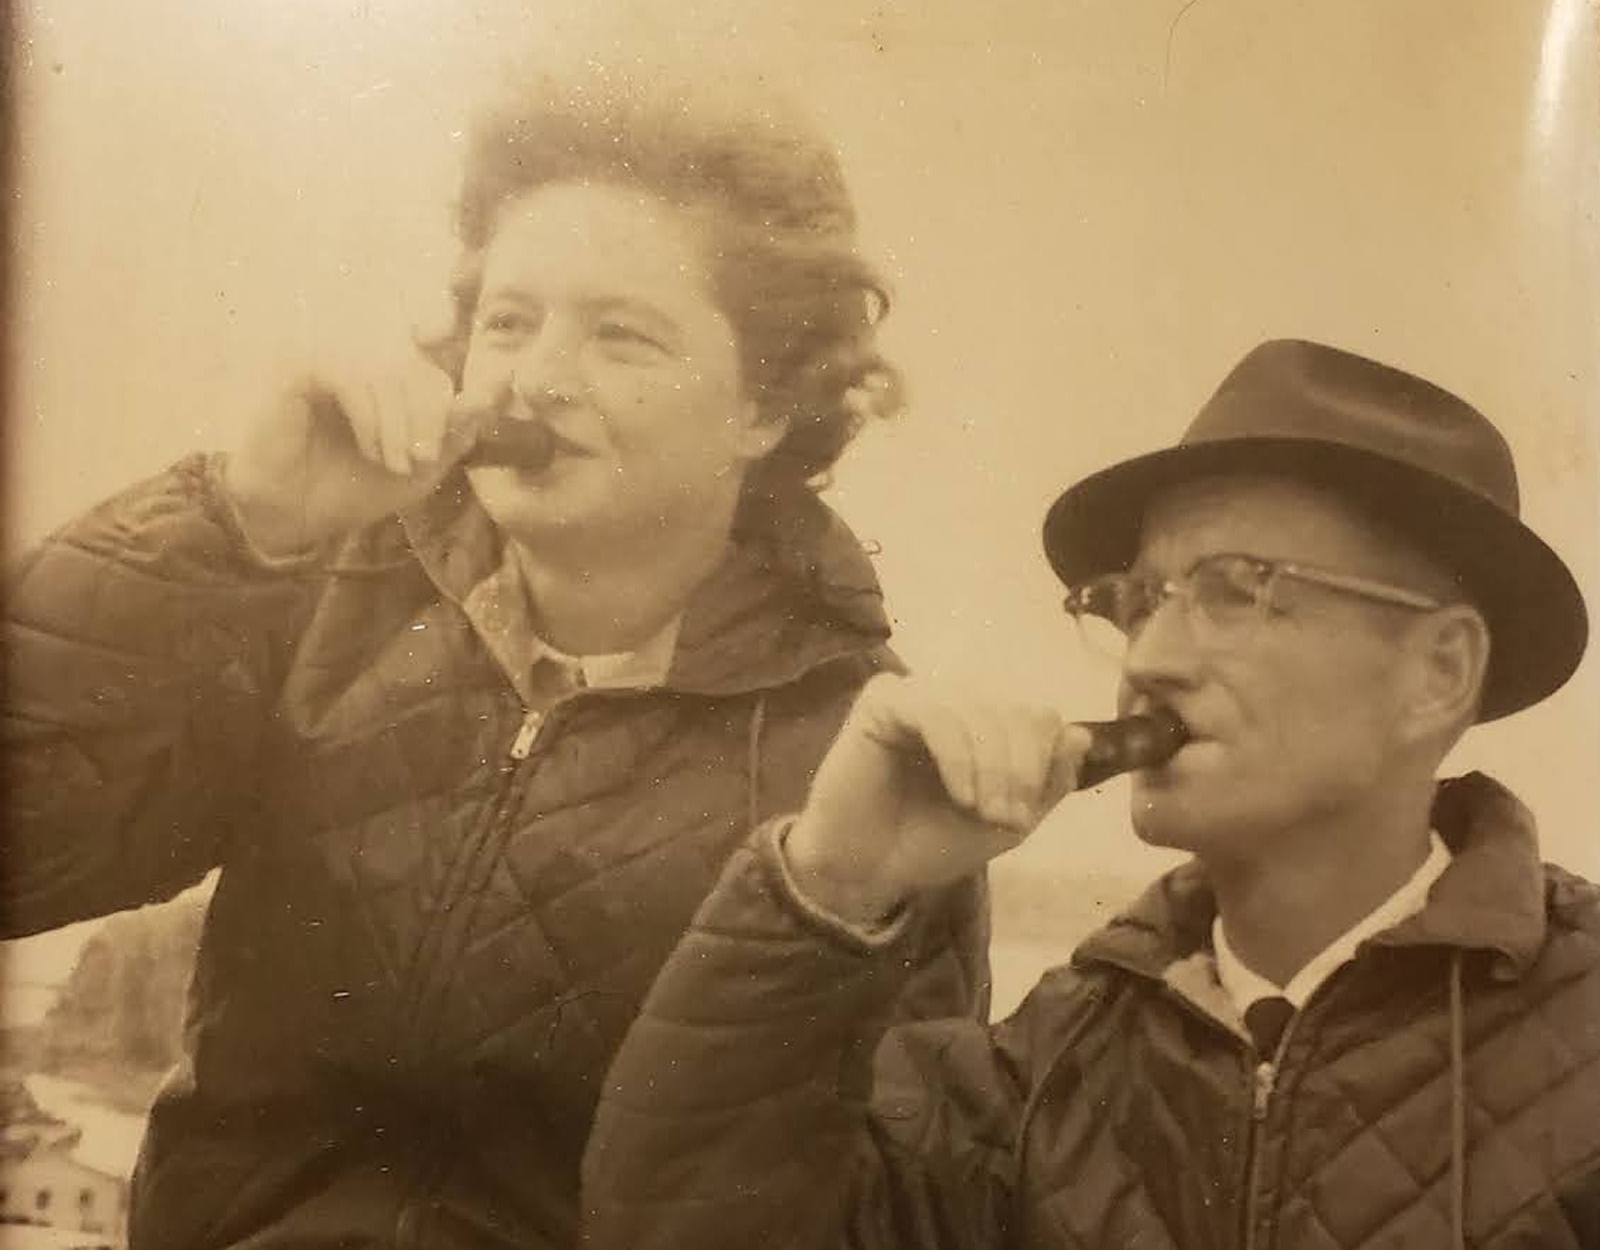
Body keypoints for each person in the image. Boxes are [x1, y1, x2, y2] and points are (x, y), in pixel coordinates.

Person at [2, 64, 988, 1250]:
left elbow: (882, 1207)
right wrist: (234, 515)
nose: (536, 375)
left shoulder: (861, 754)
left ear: (764, 409)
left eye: (621, 334)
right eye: (508, 322)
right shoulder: (328, 597)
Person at [584, 339, 1600, 1250]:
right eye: (1137, 599)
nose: (1149, 654)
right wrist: (830, 880)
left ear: (1437, 672)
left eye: (1234, 589)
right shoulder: (1049, 1061)